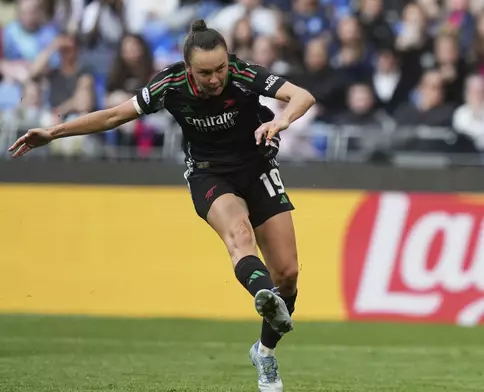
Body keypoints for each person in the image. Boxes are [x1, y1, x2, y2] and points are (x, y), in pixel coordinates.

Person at [9, 19, 316, 392]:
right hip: (210, 174)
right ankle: (263, 297)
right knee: (239, 235)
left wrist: (282, 120)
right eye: (205, 72)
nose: (216, 78)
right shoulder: (168, 85)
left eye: (220, 69)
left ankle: (264, 350)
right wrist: (53, 133)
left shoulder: (240, 72)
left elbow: (302, 96)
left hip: (258, 168)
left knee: (287, 274)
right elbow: (113, 115)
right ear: (188, 68)